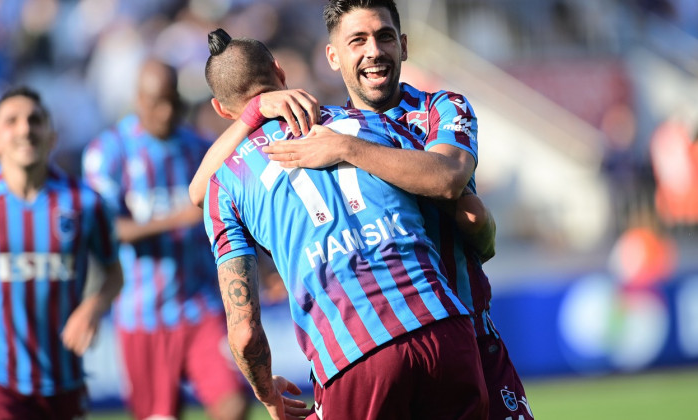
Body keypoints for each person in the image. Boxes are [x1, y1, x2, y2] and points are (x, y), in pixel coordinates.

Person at [189, 1, 528, 418]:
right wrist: (259, 112)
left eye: (384, 37)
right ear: (330, 57)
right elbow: (199, 190)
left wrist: (344, 148)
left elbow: (454, 189)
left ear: (404, 45)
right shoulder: (354, 124)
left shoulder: (437, 108)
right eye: (357, 41)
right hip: (442, 333)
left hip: (462, 331)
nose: (373, 51)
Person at [81, 59, 249, 420]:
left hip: (201, 305)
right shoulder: (109, 151)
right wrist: (183, 216)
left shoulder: (201, 148)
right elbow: (108, 230)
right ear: (139, 100)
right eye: (158, 101)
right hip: (142, 315)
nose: (167, 111)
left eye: (174, 101)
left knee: (233, 402)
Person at [0, 86, 123, 419]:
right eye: (12, 121)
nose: (25, 129)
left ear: (51, 137)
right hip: (3, 383)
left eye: (35, 120)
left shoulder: (84, 202)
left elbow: (114, 272)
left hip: (65, 379)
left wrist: (93, 307)